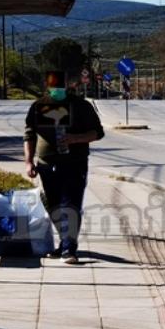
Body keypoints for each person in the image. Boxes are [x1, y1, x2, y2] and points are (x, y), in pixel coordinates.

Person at [24, 71, 104, 264]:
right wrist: (28, 161)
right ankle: (65, 244)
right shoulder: (38, 106)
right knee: (53, 206)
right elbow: (29, 135)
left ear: (67, 86)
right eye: (53, 87)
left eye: (60, 87)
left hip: (74, 162)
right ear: (47, 86)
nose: (57, 91)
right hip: (46, 164)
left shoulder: (81, 106)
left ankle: (69, 249)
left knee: (70, 204)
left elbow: (97, 133)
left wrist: (75, 139)